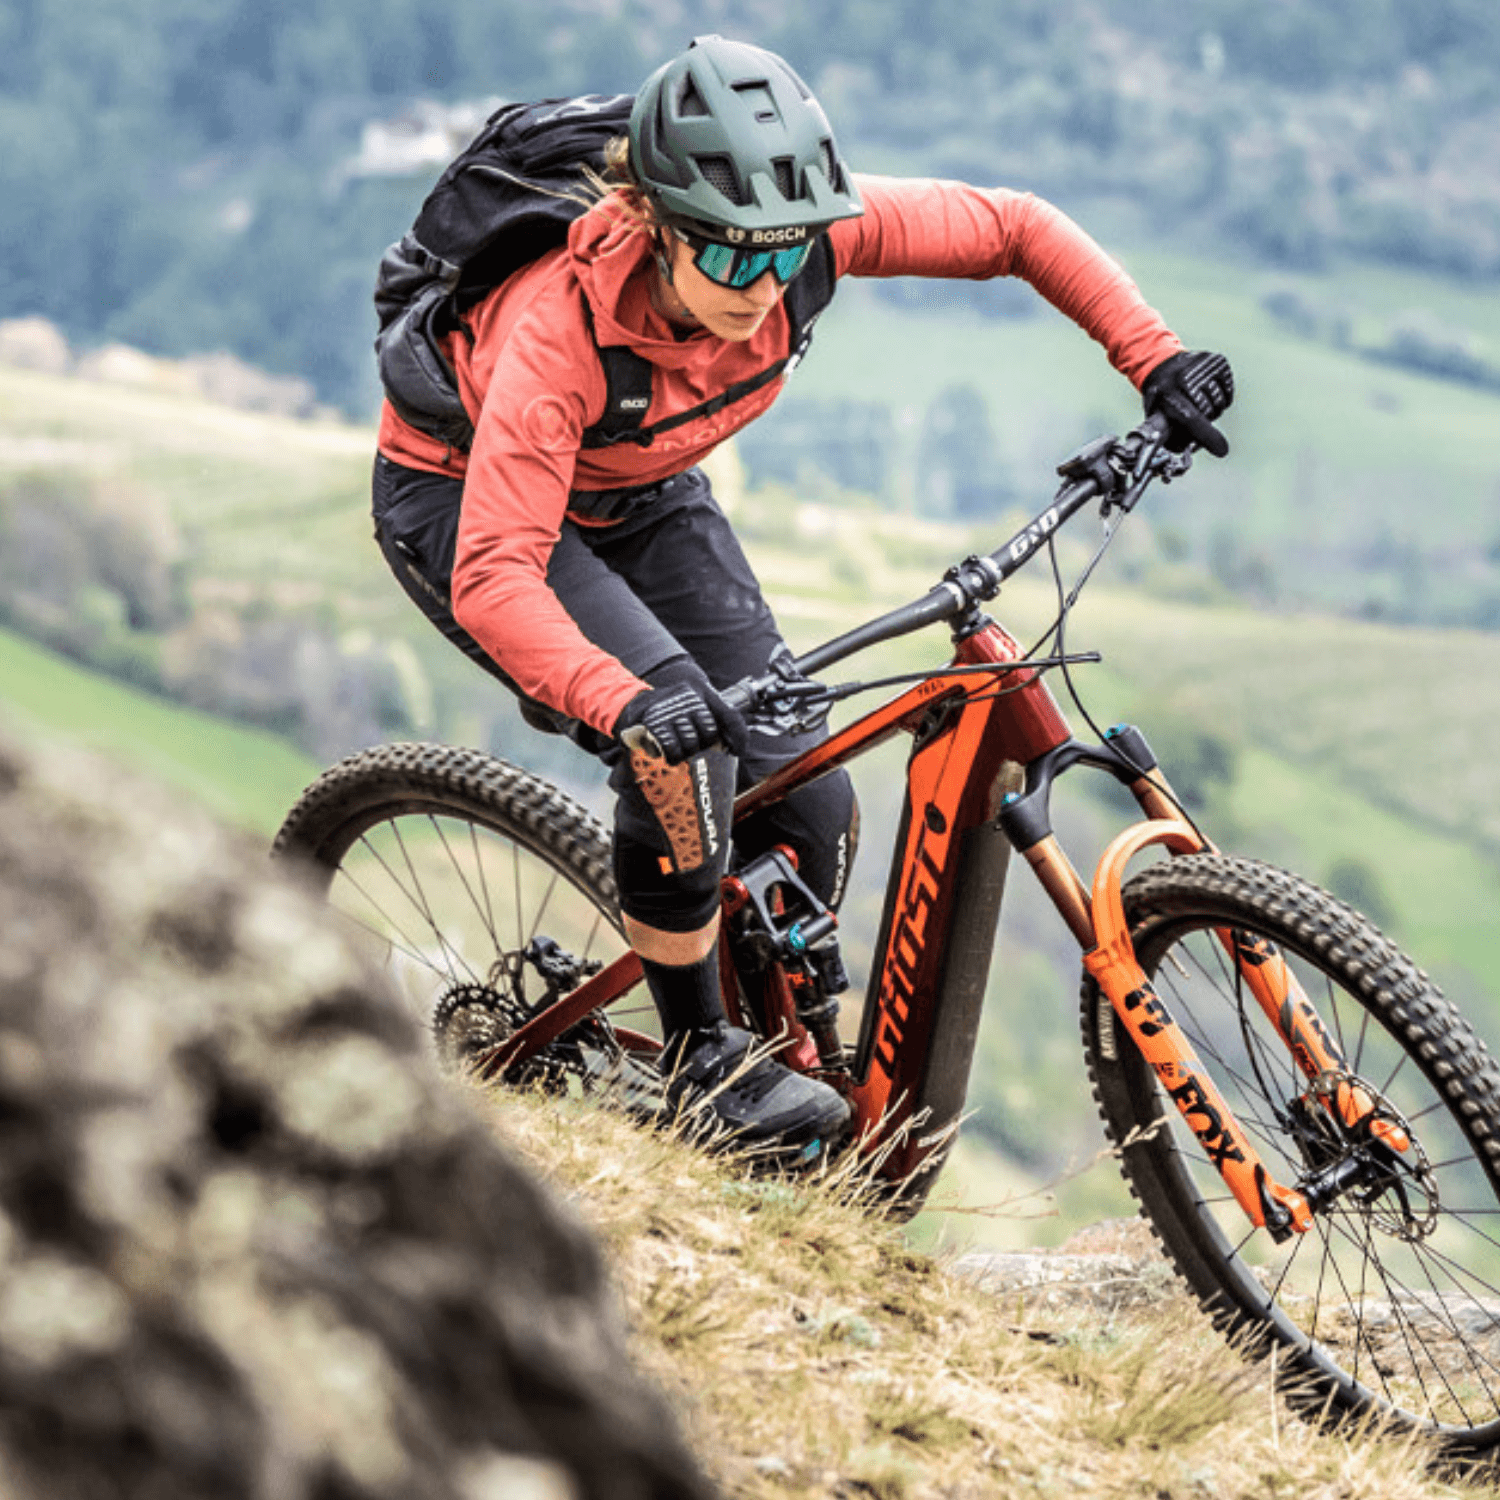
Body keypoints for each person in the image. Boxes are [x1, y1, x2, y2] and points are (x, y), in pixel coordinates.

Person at [371, 35, 1231, 1156]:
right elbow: (496, 573)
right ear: (657, 224)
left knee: (809, 791)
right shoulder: (560, 330)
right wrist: (624, 703)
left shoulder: (800, 242)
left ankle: (780, 1036)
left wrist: (1154, 361)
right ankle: (701, 1069)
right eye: (729, 262)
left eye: (783, 258)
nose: (763, 289)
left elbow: (1014, 228)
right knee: (679, 751)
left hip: (636, 490)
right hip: (467, 508)